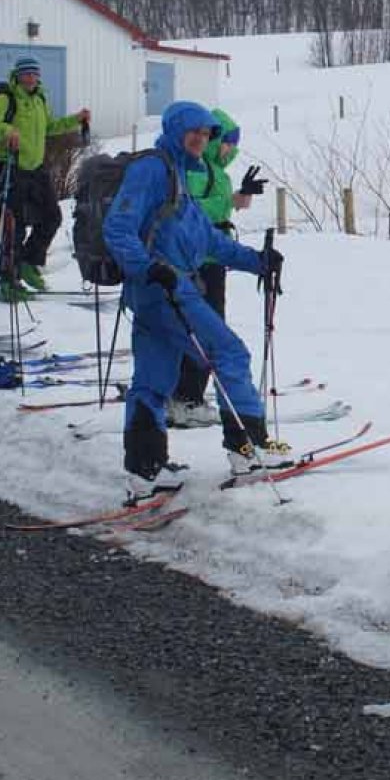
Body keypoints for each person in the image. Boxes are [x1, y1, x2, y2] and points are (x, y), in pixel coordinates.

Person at [105, 101, 280, 500]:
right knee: (229, 353)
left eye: (206, 133)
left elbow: (208, 239)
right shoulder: (153, 170)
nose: (201, 139)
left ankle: (145, 470)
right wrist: (148, 267)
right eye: (194, 132)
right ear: (175, 131)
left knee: (152, 380)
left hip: (156, 290)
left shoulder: (179, 175)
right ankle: (249, 451)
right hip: (166, 288)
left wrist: (258, 261)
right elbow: (118, 226)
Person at [170, 109, 270, 428]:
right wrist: (227, 201)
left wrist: (242, 195)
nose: (231, 149)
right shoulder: (194, 169)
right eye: (227, 142)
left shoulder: (210, 170)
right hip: (201, 261)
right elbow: (190, 210)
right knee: (208, 330)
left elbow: (221, 207)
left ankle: (182, 394)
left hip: (211, 257)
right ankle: (187, 398)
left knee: (203, 327)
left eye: (234, 144)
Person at [0, 55, 90, 302]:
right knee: (13, 227)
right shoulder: (6, 99)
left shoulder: (40, 99)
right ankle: (9, 280)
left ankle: (28, 262)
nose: (30, 78)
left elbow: (50, 127)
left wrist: (75, 120)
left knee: (52, 217)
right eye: (26, 74)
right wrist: (7, 130)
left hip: (36, 168)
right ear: (17, 76)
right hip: (12, 167)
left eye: (34, 74)